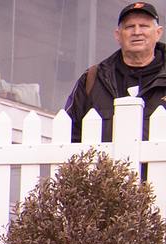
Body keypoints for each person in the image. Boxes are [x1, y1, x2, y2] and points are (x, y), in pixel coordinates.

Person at [65, 2, 166, 141]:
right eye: (130, 27)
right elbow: (69, 132)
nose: (137, 32)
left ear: (158, 33)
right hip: (104, 163)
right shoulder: (93, 79)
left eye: (144, 26)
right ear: (118, 35)